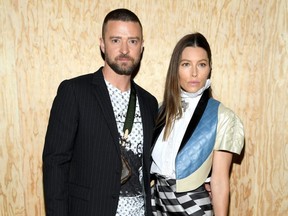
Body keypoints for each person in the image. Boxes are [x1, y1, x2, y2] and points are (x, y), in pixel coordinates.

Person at [42, 8, 158, 216]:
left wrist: (204, 180)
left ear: (141, 47)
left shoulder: (149, 103)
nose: (124, 49)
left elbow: (155, 163)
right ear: (102, 44)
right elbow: (55, 164)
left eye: (132, 41)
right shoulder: (75, 92)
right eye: (115, 40)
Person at [150, 33, 244, 216]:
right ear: (175, 68)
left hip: (192, 205)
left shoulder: (222, 116)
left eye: (201, 64)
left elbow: (219, 180)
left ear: (209, 68)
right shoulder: (161, 111)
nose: (194, 73)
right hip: (157, 203)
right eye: (186, 64)